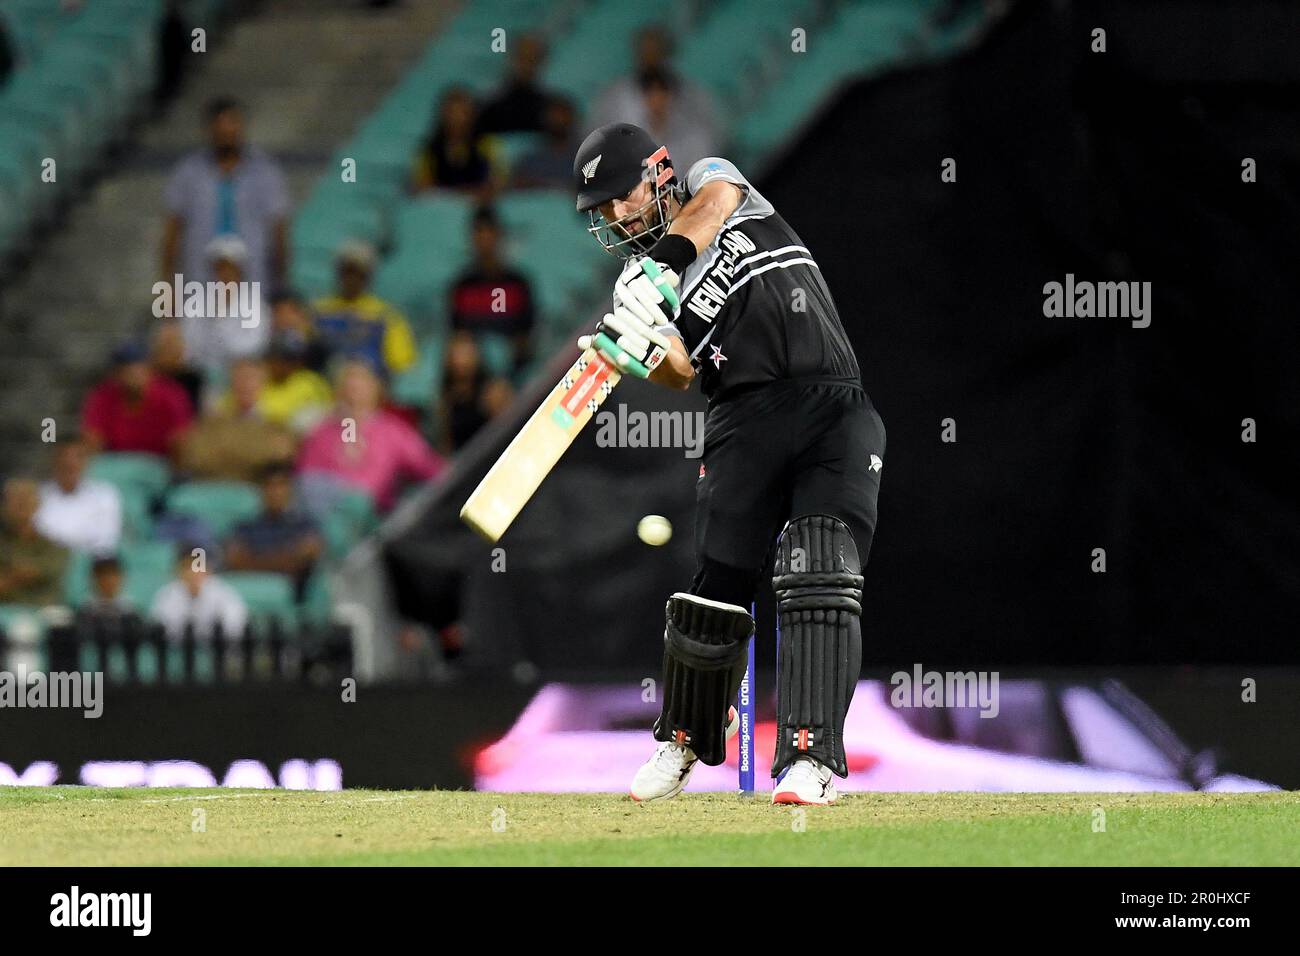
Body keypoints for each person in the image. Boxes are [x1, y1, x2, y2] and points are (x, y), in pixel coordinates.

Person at [572, 124, 885, 805]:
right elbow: (683, 373)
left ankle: (812, 758)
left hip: (830, 402)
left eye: (619, 197)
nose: (613, 216)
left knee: (821, 566)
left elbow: (710, 209)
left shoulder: (714, 182)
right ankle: (685, 737)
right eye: (602, 210)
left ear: (658, 174)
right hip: (742, 419)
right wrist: (639, 352)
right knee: (716, 585)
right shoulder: (640, 284)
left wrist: (661, 269)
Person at [161, 97, 290, 287]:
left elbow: (277, 229)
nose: (227, 131)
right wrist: (168, 285)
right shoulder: (188, 172)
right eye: (221, 125)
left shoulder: (265, 172)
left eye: (232, 123)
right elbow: (173, 229)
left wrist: (279, 283)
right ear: (209, 129)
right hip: (200, 283)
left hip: (253, 282)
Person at [297, 359, 445, 513]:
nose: (354, 389)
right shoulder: (323, 432)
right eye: (349, 384)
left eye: (361, 382)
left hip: (376, 518)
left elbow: (431, 468)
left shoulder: (392, 431)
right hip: (329, 515)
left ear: (376, 388)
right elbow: (307, 480)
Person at [591, 25, 719, 153]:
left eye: (656, 50)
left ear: (666, 53)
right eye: (646, 51)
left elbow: (708, 139)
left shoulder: (692, 95)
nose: (651, 57)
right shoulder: (614, 96)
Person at [448, 205, 537, 374]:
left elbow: (527, 337)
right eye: (479, 233)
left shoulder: (518, 283)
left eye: (488, 232)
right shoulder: (462, 285)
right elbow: (456, 335)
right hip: (472, 372)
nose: (484, 240)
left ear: (498, 235)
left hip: (514, 373)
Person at [311, 240, 418, 380]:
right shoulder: (317, 311)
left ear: (368, 275)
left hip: (368, 389)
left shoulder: (386, 316)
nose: (352, 278)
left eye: (358, 272)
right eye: (348, 270)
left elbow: (402, 364)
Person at [177, 357, 296, 482]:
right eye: (240, 378)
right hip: (213, 486)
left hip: (254, 490)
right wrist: (257, 454)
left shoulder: (276, 425)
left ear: (263, 383)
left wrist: (227, 452)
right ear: (231, 384)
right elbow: (197, 458)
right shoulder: (212, 422)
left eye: (251, 378)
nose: (245, 385)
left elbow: (283, 455)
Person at [224, 463, 324, 599]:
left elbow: (306, 558)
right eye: (270, 486)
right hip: (250, 590)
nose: (275, 492)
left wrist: (255, 562)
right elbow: (234, 561)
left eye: (281, 486)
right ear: (261, 491)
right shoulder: (244, 526)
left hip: (294, 593)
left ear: (290, 490)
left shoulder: (306, 525)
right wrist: (285, 560)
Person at [81, 342, 194, 459]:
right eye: (125, 370)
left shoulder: (171, 395)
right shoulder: (103, 396)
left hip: (162, 465)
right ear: (116, 374)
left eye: (138, 369)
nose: (133, 375)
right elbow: (92, 438)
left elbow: (182, 439)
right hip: (117, 464)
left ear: (150, 370)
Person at [35, 439, 123, 556]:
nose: (70, 463)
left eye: (78, 457)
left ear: (87, 461)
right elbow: (37, 537)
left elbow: (106, 542)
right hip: (48, 563)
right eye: (64, 456)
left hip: (91, 564)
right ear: (54, 461)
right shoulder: (38, 495)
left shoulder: (105, 495)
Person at [149, 543, 248, 642]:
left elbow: (235, 625)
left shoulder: (223, 592)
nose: (193, 572)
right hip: (177, 651)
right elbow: (160, 628)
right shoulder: (166, 595)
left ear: (208, 569)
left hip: (216, 650)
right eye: (187, 566)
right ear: (177, 570)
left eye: (198, 566)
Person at [436, 332, 513, 453]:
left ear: (476, 356)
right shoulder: (446, 396)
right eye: (458, 354)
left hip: (493, 455)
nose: (462, 361)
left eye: (467, 354)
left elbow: (508, 432)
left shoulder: (493, 389)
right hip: (462, 463)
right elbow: (446, 441)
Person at [410, 87, 494, 195]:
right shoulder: (428, 149)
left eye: (462, 113)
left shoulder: (487, 145)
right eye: (452, 112)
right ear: (442, 114)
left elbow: (495, 183)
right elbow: (421, 187)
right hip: (440, 206)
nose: (457, 118)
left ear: (472, 115)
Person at [0, 478, 69, 607]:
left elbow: (43, 570)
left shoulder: (53, 546)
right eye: (15, 500)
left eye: (26, 499)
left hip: (43, 612)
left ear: (37, 504)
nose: (21, 505)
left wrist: (11, 577)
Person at [476, 33, 550, 134]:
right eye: (522, 57)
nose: (526, 64)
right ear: (511, 58)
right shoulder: (489, 105)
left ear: (541, 61)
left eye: (532, 58)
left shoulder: (550, 109)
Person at [511, 95, 581, 190]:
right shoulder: (531, 157)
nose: (557, 121)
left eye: (562, 116)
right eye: (553, 117)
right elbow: (518, 183)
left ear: (571, 119)